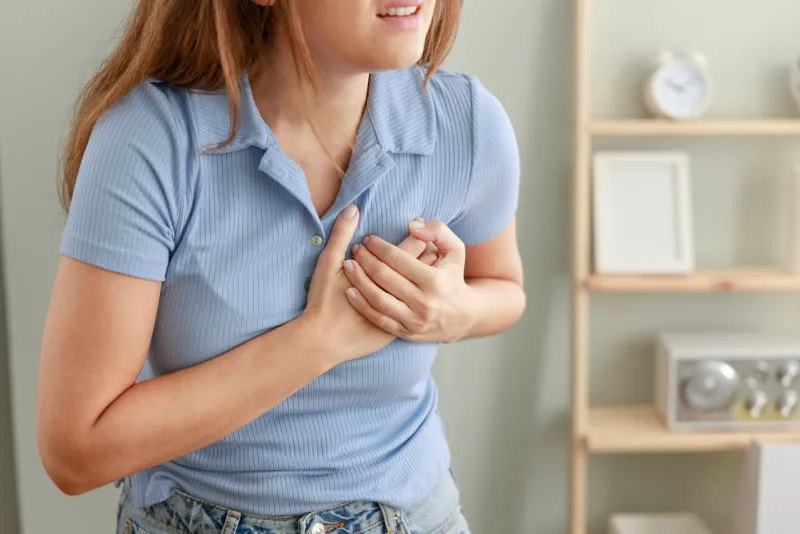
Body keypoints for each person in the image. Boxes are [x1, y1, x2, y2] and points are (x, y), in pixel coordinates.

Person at [37, 0, 525, 532]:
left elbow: (504, 288)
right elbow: (76, 453)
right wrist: (316, 342)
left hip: (414, 515)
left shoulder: (467, 123)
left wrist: (456, 311)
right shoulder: (149, 139)